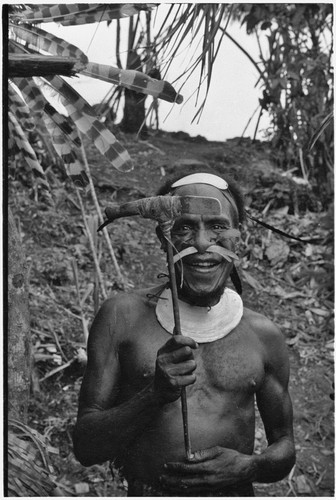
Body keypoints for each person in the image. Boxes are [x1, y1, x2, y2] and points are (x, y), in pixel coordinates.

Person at [73, 171, 295, 497]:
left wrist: (249, 467)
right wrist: (153, 395)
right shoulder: (121, 318)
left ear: (239, 237)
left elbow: (285, 447)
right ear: (164, 237)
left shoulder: (264, 337)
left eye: (218, 226)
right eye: (185, 227)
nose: (203, 244)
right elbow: (86, 447)